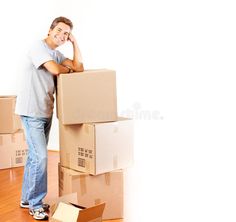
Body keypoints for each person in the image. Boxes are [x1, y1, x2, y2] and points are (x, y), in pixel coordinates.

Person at [15, 16, 84, 220]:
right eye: (60, 30)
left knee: (34, 157)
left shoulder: (57, 53)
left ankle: (27, 198)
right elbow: (54, 69)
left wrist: (75, 43)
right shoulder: (38, 47)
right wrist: (66, 68)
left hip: (45, 112)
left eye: (66, 34)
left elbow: (79, 67)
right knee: (42, 157)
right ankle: (36, 204)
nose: (62, 35)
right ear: (50, 29)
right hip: (31, 111)